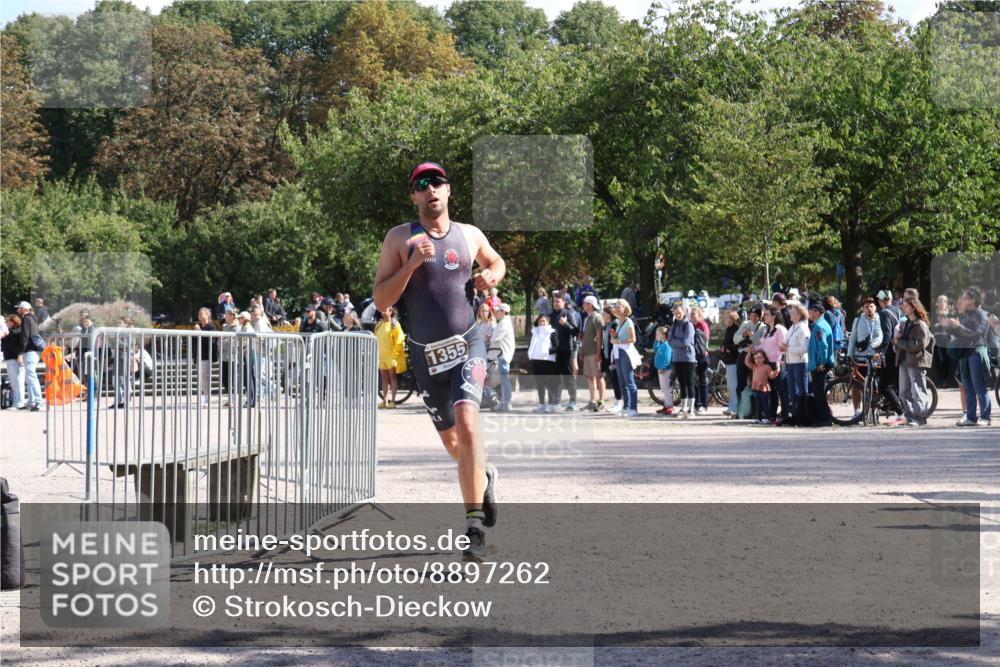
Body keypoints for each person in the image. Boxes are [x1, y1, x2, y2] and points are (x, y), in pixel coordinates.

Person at [372, 161, 506, 559]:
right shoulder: (400, 238)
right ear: (413, 196)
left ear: (448, 191)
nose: (431, 189)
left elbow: (496, 261)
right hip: (424, 355)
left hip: (468, 345)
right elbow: (381, 300)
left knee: (467, 425)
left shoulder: (469, 234)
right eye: (421, 185)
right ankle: (483, 476)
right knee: (454, 443)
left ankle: (473, 526)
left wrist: (492, 276)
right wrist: (412, 264)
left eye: (437, 183)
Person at [947, 287, 992, 427]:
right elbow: (961, 334)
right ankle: (971, 417)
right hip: (965, 354)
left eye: (965, 298)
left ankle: (985, 417)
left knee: (979, 387)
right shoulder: (966, 315)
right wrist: (953, 327)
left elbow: (976, 334)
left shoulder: (982, 315)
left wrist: (959, 327)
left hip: (976, 352)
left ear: (973, 300)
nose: (963, 300)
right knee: (968, 387)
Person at [893, 297, 933, 427]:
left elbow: (919, 344)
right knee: (904, 390)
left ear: (913, 307)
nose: (903, 307)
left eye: (905, 305)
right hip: (904, 360)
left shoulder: (920, 324)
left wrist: (899, 342)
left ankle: (920, 417)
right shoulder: (906, 323)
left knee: (918, 390)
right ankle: (910, 417)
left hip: (916, 361)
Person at [846, 297, 884, 417]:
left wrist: (877, 347)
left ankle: (874, 409)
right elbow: (852, 339)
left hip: (875, 357)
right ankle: (857, 411)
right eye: (866, 306)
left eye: (871, 306)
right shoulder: (857, 321)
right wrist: (849, 354)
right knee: (856, 384)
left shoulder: (881, 319)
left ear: (875, 307)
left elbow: (884, 336)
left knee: (875, 384)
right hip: (860, 357)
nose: (869, 309)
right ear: (863, 308)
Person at [876, 290, 905, 423]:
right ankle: (903, 410)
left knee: (884, 386)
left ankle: (900, 412)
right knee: (897, 384)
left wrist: (881, 351)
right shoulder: (898, 310)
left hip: (889, 353)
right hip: (899, 351)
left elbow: (887, 334)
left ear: (880, 301)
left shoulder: (883, 313)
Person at [550, 293, 580, 411]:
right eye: (554, 301)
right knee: (555, 377)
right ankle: (557, 402)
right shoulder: (550, 316)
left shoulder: (568, 314)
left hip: (567, 349)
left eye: (558, 301)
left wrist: (566, 324)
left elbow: (575, 331)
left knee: (568, 377)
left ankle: (573, 401)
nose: (556, 304)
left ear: (563, 302)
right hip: (554, 351)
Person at [807, 302, 835, 426]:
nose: (809, 313)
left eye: (810, 311)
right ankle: (824, 417)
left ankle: (825, 419)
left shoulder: (819, 327)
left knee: (819, 393)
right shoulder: (821, 324)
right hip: (818, 363)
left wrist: (822, 362)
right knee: (819, 392)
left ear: (817, 312)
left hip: (820, 364)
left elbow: (823, 346)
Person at [611, 300, 640, 417]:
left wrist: (618, 340)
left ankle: (633, 408)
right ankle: (626, 407)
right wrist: (614, 338)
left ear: (625, 308)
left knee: (629, 381)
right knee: (622, 382)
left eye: (620, 307)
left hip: (626, 352)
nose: (618, 309)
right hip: (618, 352)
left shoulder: (628, 322)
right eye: (616, 307)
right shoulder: (619, 322)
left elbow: (633, 339)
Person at [758, 306, 788, 422]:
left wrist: (780, 364)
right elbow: (761, 346)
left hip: (777, 364)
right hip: (767, 364)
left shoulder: (780, 329)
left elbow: (783, 347)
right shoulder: (766, 330)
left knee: (782, 390)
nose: (764, 316)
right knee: (771, 391)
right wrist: (752, 349)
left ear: (774, 316)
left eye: (766, 314)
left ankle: (785, 415)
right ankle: (772, 415)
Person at [781, 302, 810, 418]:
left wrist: (788, 348)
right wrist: (783, 348)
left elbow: (805, 348)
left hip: (800, 363)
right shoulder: (792, 328)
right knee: (792, 392)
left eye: (792, 312)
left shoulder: (803, 329)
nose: (789, 314)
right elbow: (787, 345)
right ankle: (795, 414)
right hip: (790, 363)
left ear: (799, 315)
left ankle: (803, 415)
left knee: (801, 391)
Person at [668, 304, 697, 418]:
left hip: (688, 358)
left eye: (679, 313)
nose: (678, 315)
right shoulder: (674, 325)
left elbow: (686, 342)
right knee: (681, 383)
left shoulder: (689, 325)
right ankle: (683, 407)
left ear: (684, 312)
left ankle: (691, 409)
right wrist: (677, 342)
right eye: (676, 313)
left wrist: (676, 342)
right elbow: (669, 341)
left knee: (689, 382)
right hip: (677, 358)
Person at [374, 306, 405, 409]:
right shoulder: (379, 324)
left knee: (392, 377)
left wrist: (395, 354)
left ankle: (393, 400)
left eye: (385, 310)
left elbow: (400, 339)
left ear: (391, 311)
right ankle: (385, 400)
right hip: (381, 356)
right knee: (384, 378)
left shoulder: (394, 324)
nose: (383, 312)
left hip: (391, 355)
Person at [16, 301, 44, 411]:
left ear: (24, 309)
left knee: (31, 376)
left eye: (19, 308)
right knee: (29, 377)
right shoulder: (33, 318)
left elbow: (25, 337)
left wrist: (20, 353)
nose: (18, 310)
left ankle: (38, 402)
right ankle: (33, 402)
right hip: (35, 350)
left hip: (30, 350)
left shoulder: (26, 319)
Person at [580, 295, 606, 412]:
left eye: (585, 303)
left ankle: (601, 402)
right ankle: (592, 401)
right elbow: (585, 336)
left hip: (594, 353)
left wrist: (599, 352)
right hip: (587, 352)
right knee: (590, 377)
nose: (583, 305)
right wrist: (582, 350)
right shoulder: (587, 318)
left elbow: (600, 335)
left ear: (590, 305)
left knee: (599, 377)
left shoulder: (597, 318)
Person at [528, 314, 559, 413]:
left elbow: (557, 347)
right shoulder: (535, 332)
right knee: (539, 383)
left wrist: (546, 352)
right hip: (537, 361)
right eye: (540, 321)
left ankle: (551, 404)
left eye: (544, 321)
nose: (541, 323)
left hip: (548, 361)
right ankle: (541, 404)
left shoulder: (551, 332)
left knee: (549, 383)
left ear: (548, 322)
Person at [490, 303, 515, 412]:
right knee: (503, 379)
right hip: (501, 355)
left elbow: (494, 337)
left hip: (503, 355)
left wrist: (490, 336)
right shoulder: (503, 322)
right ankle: (504, 402)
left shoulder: (504, 324)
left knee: (504, 379)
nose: (495, 313)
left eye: (497, 311)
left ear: (503, 312)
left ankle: (507, 404)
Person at [193, 307, 218, 407]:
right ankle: (204, 397)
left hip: (206, 355)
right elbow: (194, 342)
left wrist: (199, 331)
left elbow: (210, 341)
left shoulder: (211, 327)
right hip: (198, 355)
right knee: (201, 377)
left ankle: (206, 398)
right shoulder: (197, 326)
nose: (199, 315)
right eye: (199, 314)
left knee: (205, 377)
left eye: (201, 313)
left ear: (207, 315)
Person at [746, 350, 779, 425]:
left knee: (765, 404)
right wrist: (749, 353)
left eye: (760, 358)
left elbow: (771, 376)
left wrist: (777, 370)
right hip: (757, 389)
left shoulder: (767, 367)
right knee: (758, 405)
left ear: (764, 358)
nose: (757, 360)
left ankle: (768, 418)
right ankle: (759, 418)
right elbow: (747, 362)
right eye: (755, 358)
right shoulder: (754, 367)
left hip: (764, 389)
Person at [719, 310, 741, 417]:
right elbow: (725, 342)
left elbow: (736, 345)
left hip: (733, 360)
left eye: (726, 318)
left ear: (732, 319)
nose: (724, 320)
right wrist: (723, 347)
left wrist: (727, 348)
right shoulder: (729, 329)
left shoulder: (736, 330)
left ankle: (734, 407)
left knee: (733, 385)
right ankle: (731, 406)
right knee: (730, 385)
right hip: (728, 360)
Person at [602, 304, 623, 413]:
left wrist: (612, 358)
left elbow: (613, 341)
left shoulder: (614, 324)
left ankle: (619, 402)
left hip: (613, 356)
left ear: (609, 314)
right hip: (608, 356)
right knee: (613, 379)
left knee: (615, 379)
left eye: (604, 313)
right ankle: (617, 400)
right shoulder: (608, 325)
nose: (602, 315)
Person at [690, 306, 711, 415]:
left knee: (702, 381)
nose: (692, 316)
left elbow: (704, 341)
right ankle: (696, 404)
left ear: (699, 315)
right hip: (694, 356)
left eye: (694, 314)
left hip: (702, 356)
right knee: (695, 381)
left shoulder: (702, 325)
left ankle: (704, 405)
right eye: (691, 314)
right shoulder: (691, 325)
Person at [931, 295, 956, 387]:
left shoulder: (951, 315)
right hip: (937, 341)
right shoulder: (933, 315)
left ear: (947, 304)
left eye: (944, 301)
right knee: (940, 360)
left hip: (948, 341)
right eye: (940, 301)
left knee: (948, 360)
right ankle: (943, 380)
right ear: (937, 304)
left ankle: (948, 379)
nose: (942, 303)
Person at [3, 314, 25, 409]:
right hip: (10, 359)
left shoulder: (17, 332)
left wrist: (19, 355)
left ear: (12, 322)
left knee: (18, 381)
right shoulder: (10, 332)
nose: (6, 323)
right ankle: (17, 402)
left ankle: (19, 403)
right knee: (14, 382)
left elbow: (20, 346)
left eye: (7, 321)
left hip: (15, 359)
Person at [653, 326, 674, 415]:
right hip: (661, 369)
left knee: (666, 388)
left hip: (665, 369)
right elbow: (655, 349)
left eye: (658, 334)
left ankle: (670, 406)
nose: (656, 336)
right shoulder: (661, 344)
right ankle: (666, 405)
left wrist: (663, 367)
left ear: (663, 335)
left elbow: (667, 358)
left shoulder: (666, 345)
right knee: (663, 387)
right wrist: (656, 341)